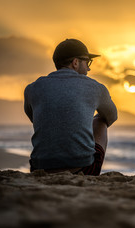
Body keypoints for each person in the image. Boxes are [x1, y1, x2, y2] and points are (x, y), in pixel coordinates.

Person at [24, 38, 117, 175]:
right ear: (75, 62)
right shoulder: (95, 87)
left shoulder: (32, 88)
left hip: (40, 170)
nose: (89, 68)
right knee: (100, 120)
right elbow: (111, 117)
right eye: (87, 62)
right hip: (82, 170)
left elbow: (34, 119)